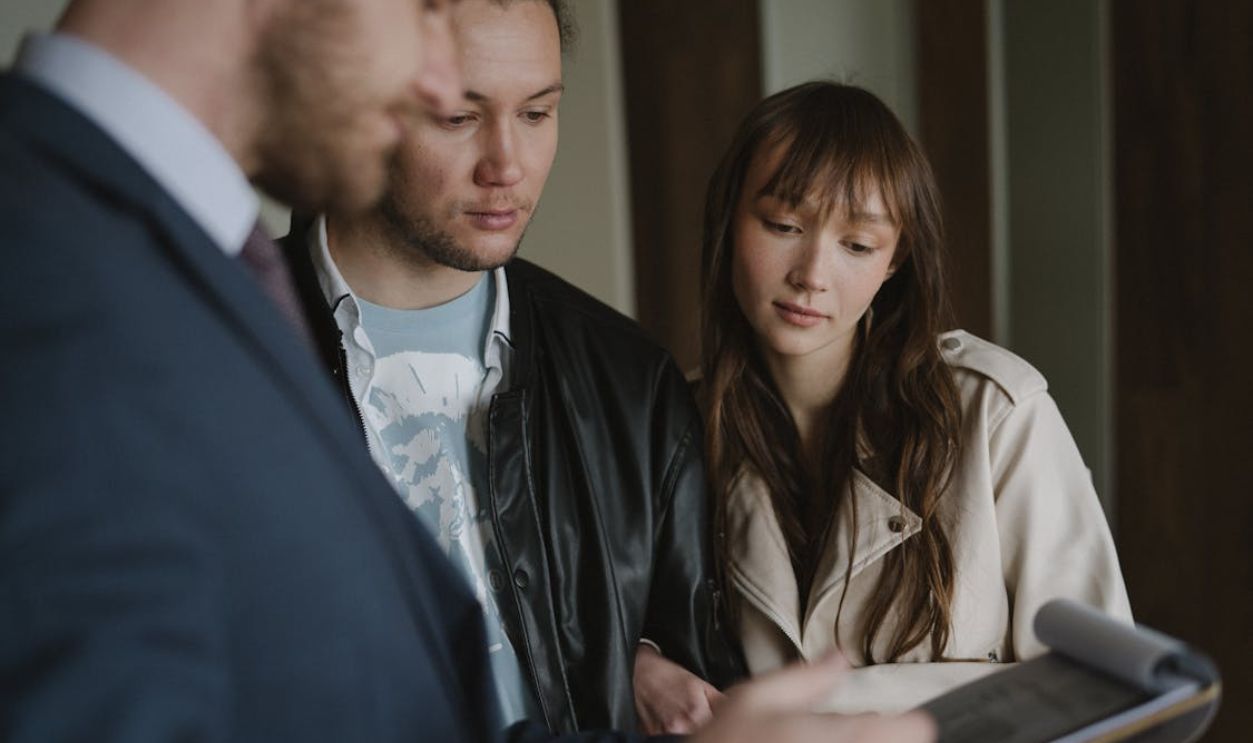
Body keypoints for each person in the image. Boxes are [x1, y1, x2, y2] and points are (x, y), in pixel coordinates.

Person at [0, 0, 936, 739]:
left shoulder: (184, 267)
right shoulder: (64, 281)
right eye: (419, 16)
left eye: (537, 110)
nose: (429, 68)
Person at [280, 0, 740, 734]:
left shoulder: (631, 383)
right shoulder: (219, 359)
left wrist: (636, 656)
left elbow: (702, 684)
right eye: (458, 118)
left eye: (536, 113)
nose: (507, 165)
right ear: (358, 102)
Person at [698, 81, 1133, 714]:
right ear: (730, 219)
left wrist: (845, 707)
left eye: (857, 245)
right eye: (783, 224)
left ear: (895, 260)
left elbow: (1101, 684)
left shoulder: (997, 414)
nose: (812, 275)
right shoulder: (680, 427)